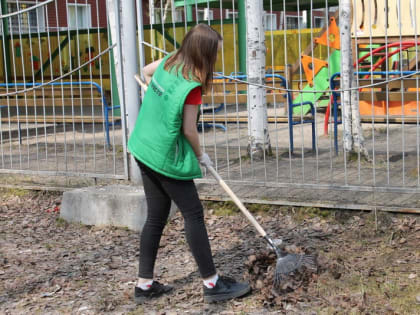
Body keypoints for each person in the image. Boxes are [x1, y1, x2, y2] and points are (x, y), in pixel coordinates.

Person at [127, 24, 251, 304]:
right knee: (193, 214)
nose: (217, 58)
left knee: (157, 217)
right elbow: (189, 131)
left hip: (142, 147)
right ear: (204, 53)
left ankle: (144, 285)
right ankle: (212, 284)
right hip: (163, 156)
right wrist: (199, 155)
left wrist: (152, 92)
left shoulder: (172, 59)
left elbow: (146, 71)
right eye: (216, 52)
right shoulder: (192, 84)